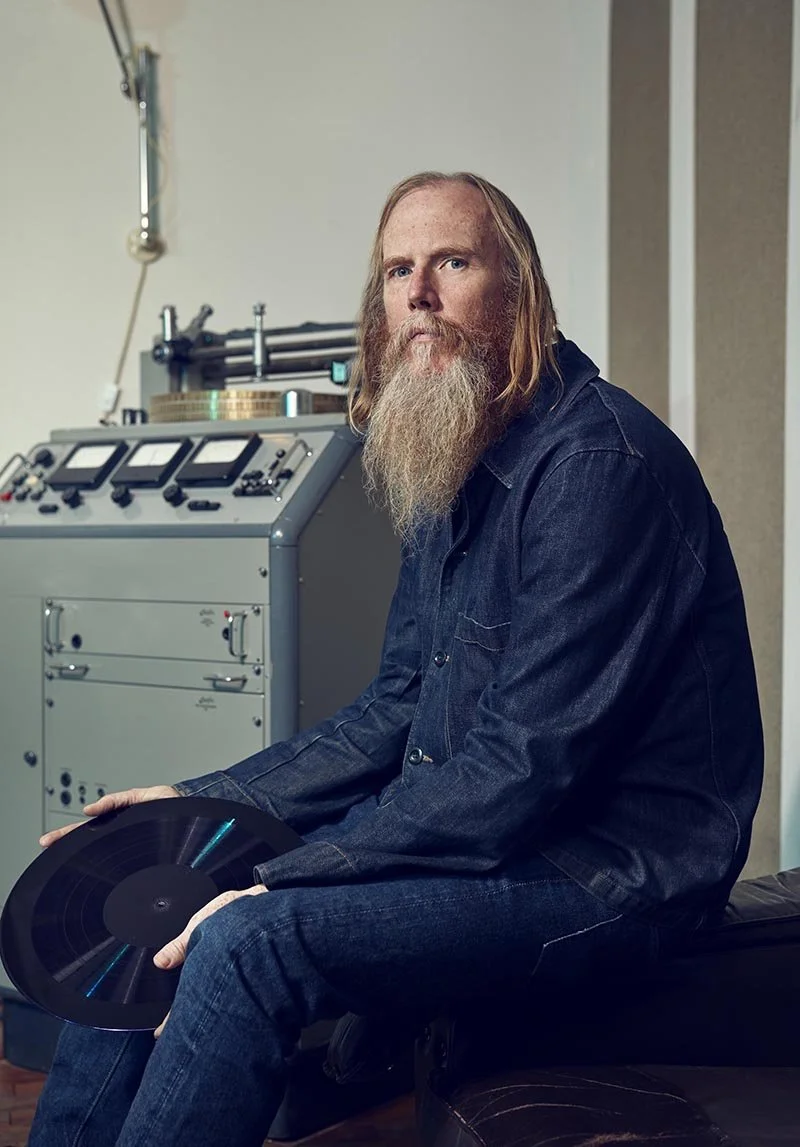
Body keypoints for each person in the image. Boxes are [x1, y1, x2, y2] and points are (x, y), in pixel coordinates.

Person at [30, 172, 763, 1147]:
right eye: (395, 271)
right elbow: (392, 708)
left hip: (605, 873)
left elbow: (517, 774)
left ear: (518, 289)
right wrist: (193, 805)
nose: (416, 292)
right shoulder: (455, 452)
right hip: (498, 831)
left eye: (451, 262)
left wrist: (276, 879)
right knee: (143, 878)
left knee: (251, 939)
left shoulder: (596, 469)